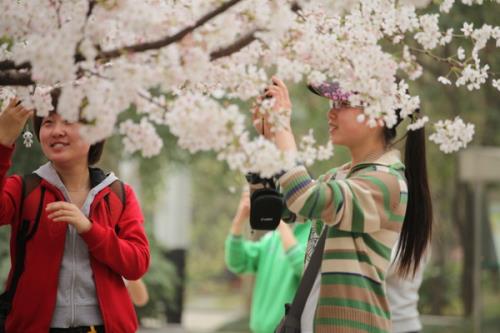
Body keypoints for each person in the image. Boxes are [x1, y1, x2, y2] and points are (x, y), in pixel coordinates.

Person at [253, 77, 433, 333]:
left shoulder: (387, 181)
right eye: (331, 102)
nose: (331, 112)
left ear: (378, 115)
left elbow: (307, 198)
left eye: (343, 103)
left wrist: (283, 130)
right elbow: (270, 212)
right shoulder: (338, 176)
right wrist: (268, 140)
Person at [0, 96, 150, 332]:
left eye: (68, 121)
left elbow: (137, 264)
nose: (57, 131)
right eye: (48, 122)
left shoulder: (120, 194)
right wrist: (2, 142)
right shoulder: (23, 190)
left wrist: (90, 230)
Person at [225, 189, 311, 333]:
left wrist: (276, 218)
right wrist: (240, 218)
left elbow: (302, 267)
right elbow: (237, 262)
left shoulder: (313, 233)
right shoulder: (272, 239)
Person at [386, 243, 429, 333]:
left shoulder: (403, 241)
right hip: (405, 322)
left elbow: (381, 269)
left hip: (399, 323)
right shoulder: (418, 239)